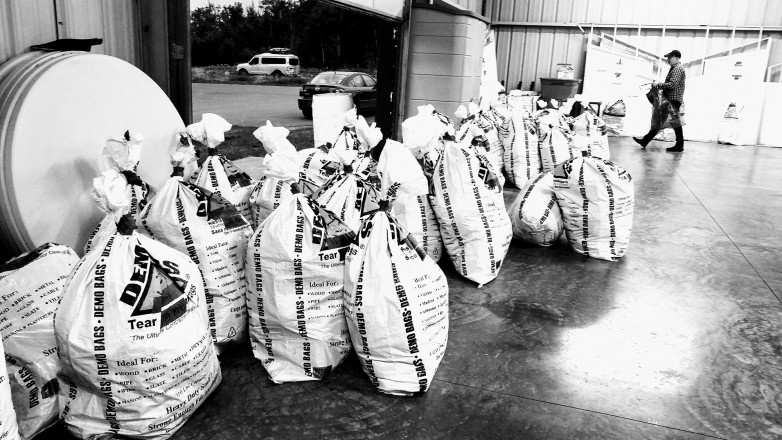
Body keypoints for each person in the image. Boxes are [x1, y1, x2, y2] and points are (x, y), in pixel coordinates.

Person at [634, 50, 686, 152]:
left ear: (676, 57)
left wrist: (658, 84)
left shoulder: (677, 69)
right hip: (672, 100)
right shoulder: (675, 68)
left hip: (673, 100)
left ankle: (680, 145)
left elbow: (672, 85)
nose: (667, 60)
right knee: (662, 121)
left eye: (669, 58)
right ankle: (645, 140)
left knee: (674, 123)